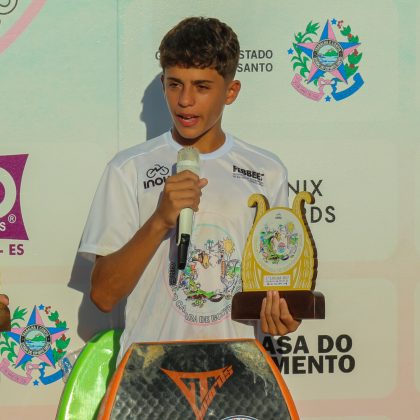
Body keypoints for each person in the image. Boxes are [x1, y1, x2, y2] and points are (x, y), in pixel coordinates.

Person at [79, 16, 300, 363]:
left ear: (231, 91)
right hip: (151, 377)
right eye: (174, 84)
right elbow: (104, 295)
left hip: (238, 372)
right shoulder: (128, 168)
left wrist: (283, 314)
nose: (184, 101)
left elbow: (281, 285)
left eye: (201, 86)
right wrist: (159, 220)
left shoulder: (267, 172)